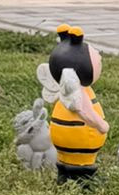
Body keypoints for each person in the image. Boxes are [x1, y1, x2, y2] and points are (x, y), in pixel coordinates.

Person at [39, 26, 108, 184]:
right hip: (81, 143)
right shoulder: (80, 93)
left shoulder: (66, 89)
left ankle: (64, 175)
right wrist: (102, 125)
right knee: (82, 169)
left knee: (66, 163)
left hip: (61, 139)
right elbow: (86, 113)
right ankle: (84, 181)